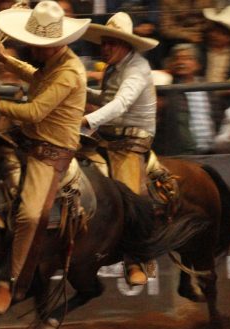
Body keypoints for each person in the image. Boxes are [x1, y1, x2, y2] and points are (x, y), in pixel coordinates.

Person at [0, 1, 90, 314]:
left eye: (36, 45)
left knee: (30, 215)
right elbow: (35, 76)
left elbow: (35, 111)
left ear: (54, 45)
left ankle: (13, 280)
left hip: (50, 150)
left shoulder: (69, 73)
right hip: (28, 136)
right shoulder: (55, 63)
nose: (30, 48)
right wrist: (4, 58)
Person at [80, 12, 159, 286]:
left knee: (129, 195)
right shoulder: (114, 67)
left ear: (126, 44)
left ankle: (137, 259)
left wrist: (88, 119)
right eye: (104, 42)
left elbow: (121, 104)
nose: (105, 48)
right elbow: (106, 100)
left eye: (112, 43)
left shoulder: (138, 69)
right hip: (109, 135)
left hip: (132, 139)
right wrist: (76, 91)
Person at [154, 44, 220, 156]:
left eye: (187, 58)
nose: (181, 62)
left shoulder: (208, 88)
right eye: (177, 59)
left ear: (198, 64)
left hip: (210, 151)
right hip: (181, 154)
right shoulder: (165, 88)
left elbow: (217, 116)